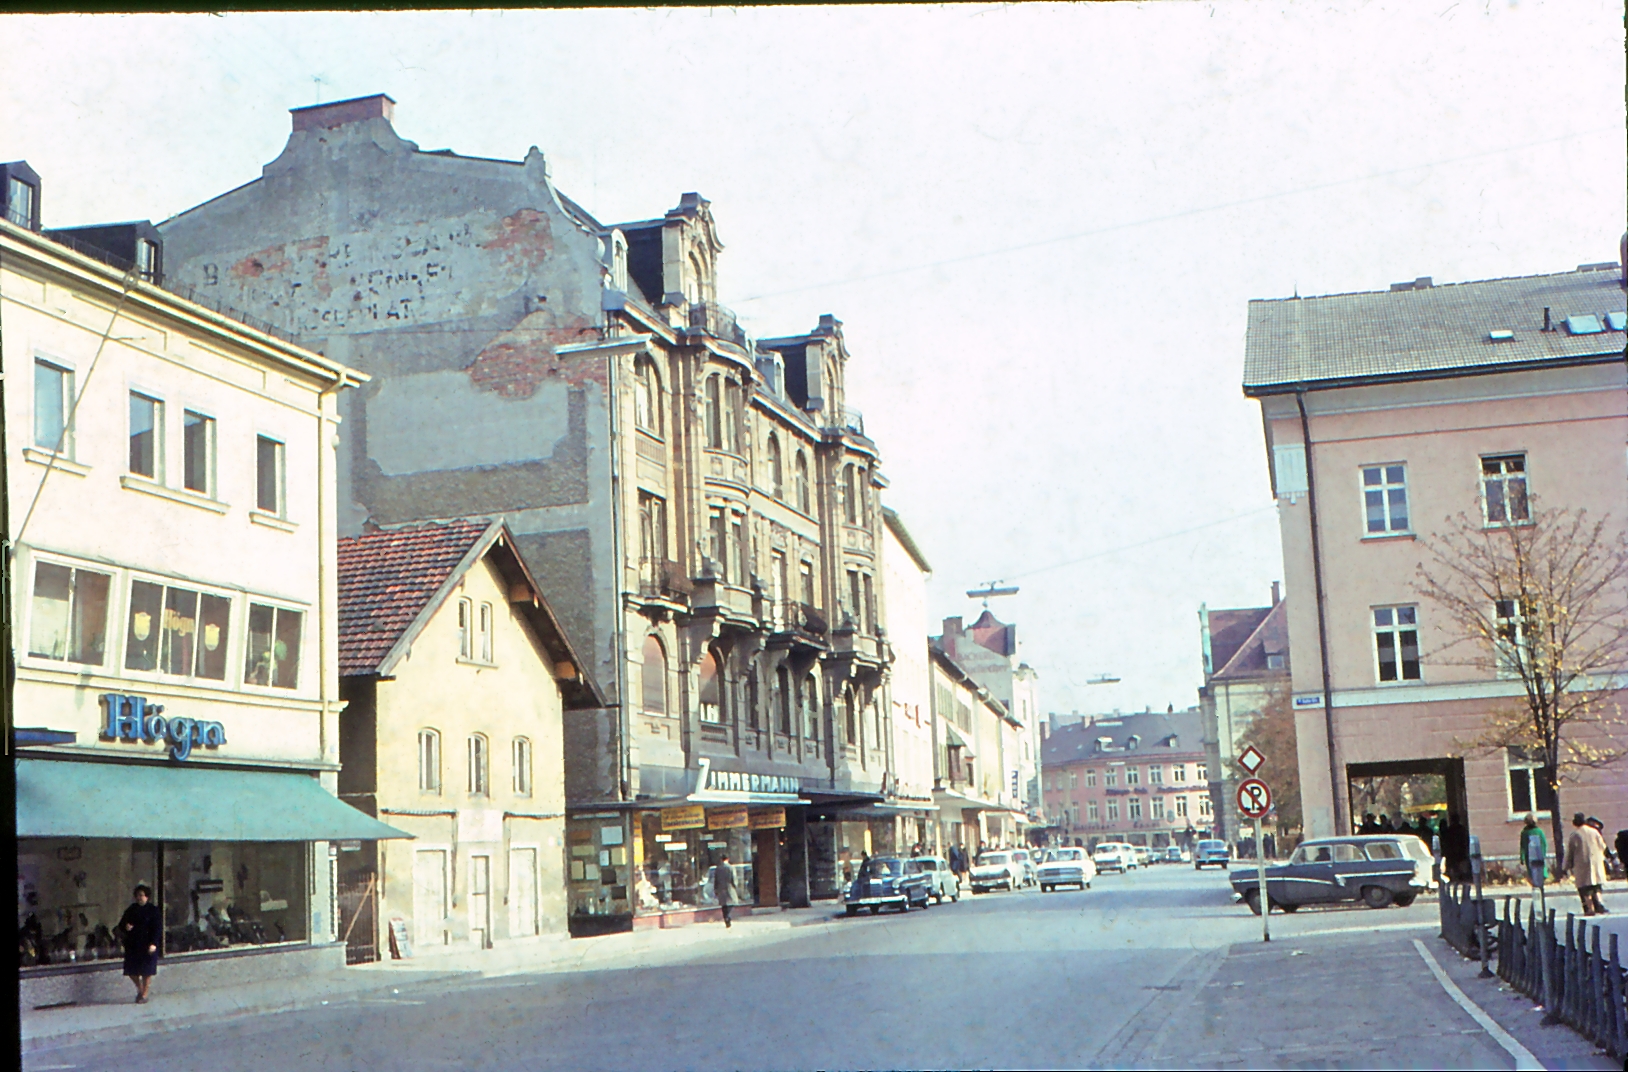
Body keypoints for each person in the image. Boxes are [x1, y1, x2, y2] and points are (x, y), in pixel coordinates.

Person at [120, 884, 162, 1004]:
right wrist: (126, 926)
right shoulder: (131, 909)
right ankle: (140, 988)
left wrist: (154, 943)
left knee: (146, 971)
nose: (139, 898)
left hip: (148, 944)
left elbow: (157, 928)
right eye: (137, 895)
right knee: (131, 971)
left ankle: (144, 994)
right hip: (133, 944)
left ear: (147, 897)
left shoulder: (153, 910)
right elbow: (121, 924)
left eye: (141, 895)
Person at [1565, 813, 1608, 916]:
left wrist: (1566, 866)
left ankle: (1589, 908)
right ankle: (1599, 905)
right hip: (1596, 862)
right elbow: (1603, 846)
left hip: (1581, 863)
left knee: (1585, 887)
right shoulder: (1594, 832)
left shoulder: (1575, 835)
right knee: (1596, 885)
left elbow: (1570, 852)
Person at [1518, 814, 1547, 888]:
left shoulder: (1525, 833)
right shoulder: (1539, 831)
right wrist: (1543, 854)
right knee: (1540, 871)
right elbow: (1544, 843)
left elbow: (1523, 846)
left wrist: (1522, 857)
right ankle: (1540, 885)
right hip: (1538, 855)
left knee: (1532, 873)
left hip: (1530, 856)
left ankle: (1536, 885)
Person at [712, 853, 736, 928]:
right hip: (729, 888)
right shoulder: (731, 867)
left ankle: (726, 918)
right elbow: (734, 879)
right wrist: (735, 886)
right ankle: (728, 917)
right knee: (732, 902)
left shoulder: (718, 868)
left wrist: (716, 889)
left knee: (724, 905)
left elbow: (715, 880)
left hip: (721, 889)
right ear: (728, 859)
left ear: (721, 859)